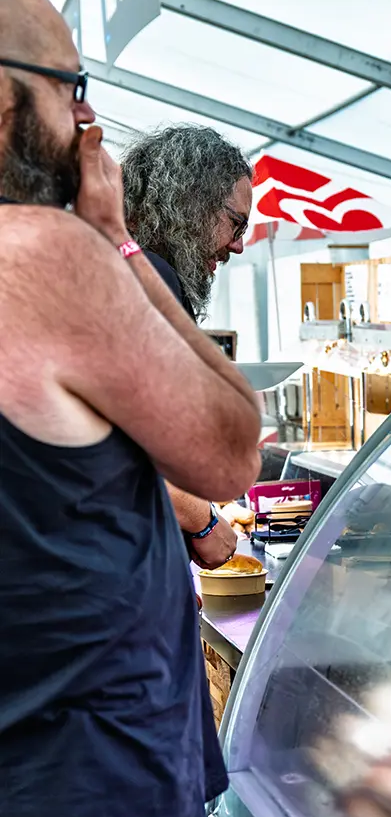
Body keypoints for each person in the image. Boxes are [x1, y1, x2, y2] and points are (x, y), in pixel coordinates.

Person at [0, 0, 261, 817]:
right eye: (72, 92)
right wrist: (112, 237)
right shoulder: (40, 256)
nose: (87, 128)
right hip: (93, 813)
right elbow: (230, 444)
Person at [122, 124, 254, 572]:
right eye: (236, 224)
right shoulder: (149, 277)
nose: (237, 245)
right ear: (192, 203)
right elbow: (128, 447)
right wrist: (202, 523)